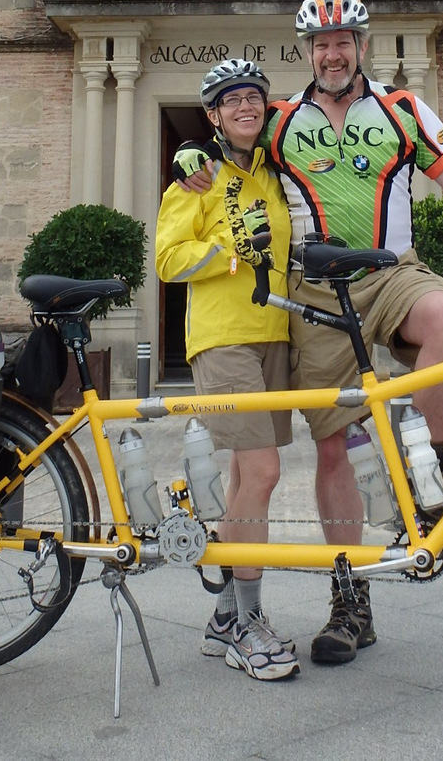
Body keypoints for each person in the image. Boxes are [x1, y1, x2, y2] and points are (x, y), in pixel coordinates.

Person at [173, 0, 443, 667]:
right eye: (320, 43)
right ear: (308, 52)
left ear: (361, 44)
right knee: (334, 451)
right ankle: (351, 600)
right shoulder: (280, 119)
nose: (332, 52)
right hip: (318, 291)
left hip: (391, 273)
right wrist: (187, 155)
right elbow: (226, 141)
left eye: (343, 40)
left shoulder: (404, 109)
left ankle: (432, 485)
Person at [155, 58, 299, 681]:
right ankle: (247, 622)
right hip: (222, 340)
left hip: (275, 335)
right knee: (264, 472)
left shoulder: (275, 173)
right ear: (213, 115)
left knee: (247, 474)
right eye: (231, 100)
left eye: (254, 97)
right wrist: (227, 254)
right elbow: (167, 260)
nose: (246, 106)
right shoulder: (197, 180)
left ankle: (223, 616)